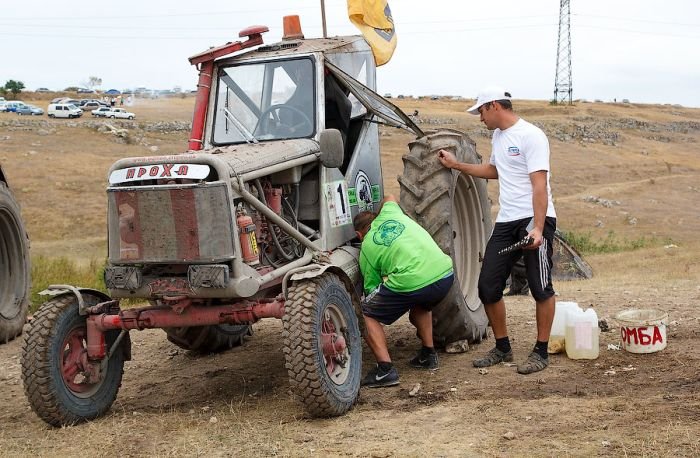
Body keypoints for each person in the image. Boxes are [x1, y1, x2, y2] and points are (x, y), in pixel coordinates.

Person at [437, 86, 557, 375]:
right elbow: (494, 171)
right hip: (506, 220)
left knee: (540, 288)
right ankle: (503, 348)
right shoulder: (498, 136)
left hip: (533, 219)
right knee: (487, 287)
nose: (480, 118)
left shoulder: (532, 136)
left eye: (480, 111)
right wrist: (457, 165)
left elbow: (539, 185)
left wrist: (538, 228)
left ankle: (541, 351)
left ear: (493, 106)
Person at [354, 195, 454, 387]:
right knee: (420, 306)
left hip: (414, 281)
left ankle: (385, 370)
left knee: (366, 313)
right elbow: (389, 197)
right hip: (445, 274)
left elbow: (372, 290)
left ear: (359, 235)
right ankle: (428, 355)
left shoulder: (366, 247)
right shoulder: (391, 213)